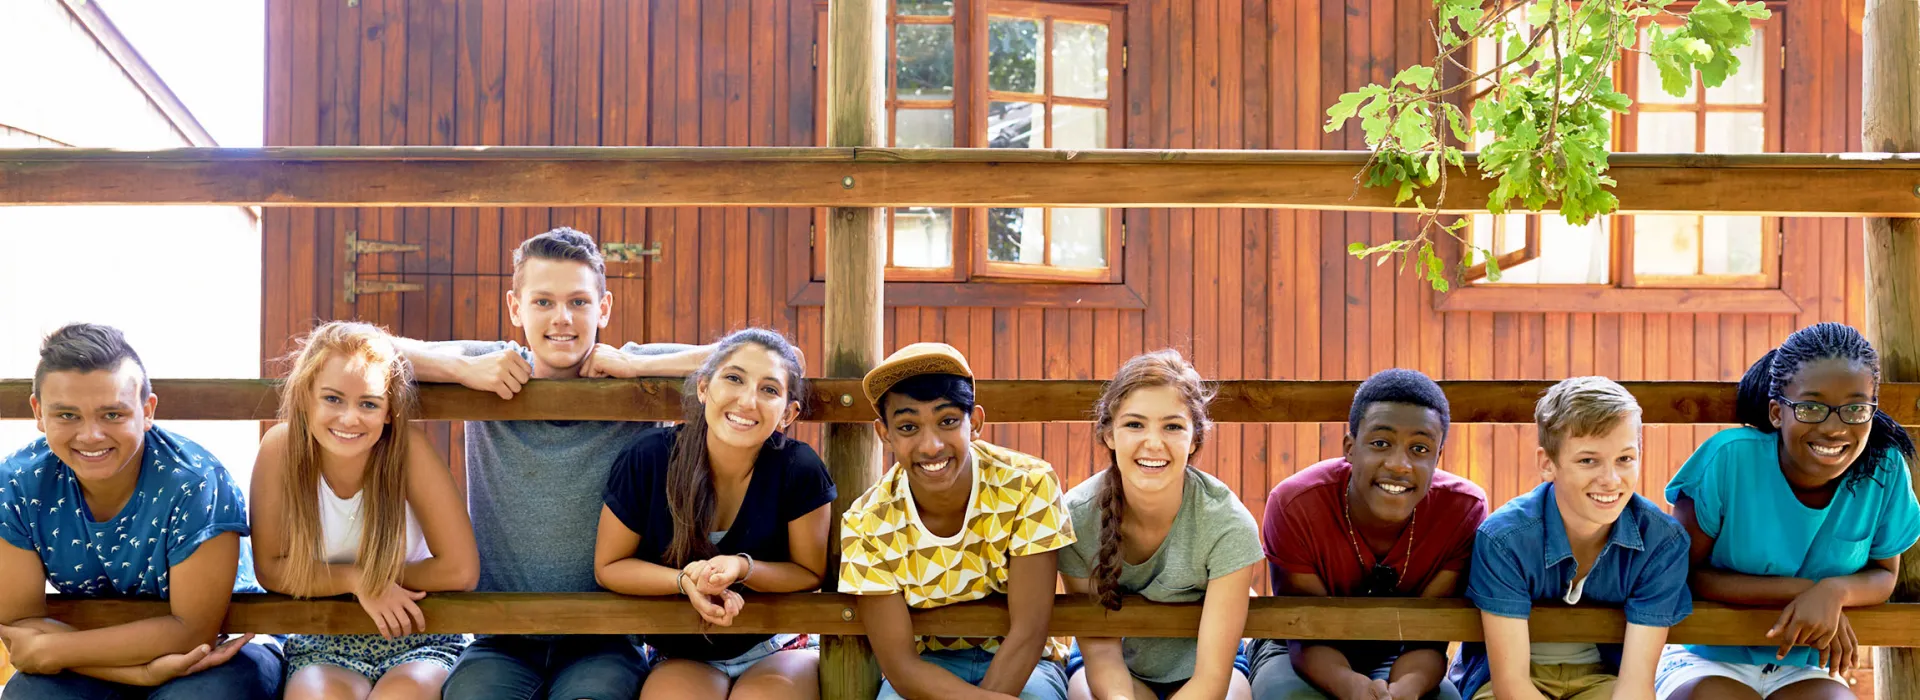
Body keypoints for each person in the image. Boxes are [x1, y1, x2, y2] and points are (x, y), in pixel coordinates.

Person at [395, 227, 714, 700]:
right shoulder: (491, 365)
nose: (562, 319)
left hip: (606, 637)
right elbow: (362, 349)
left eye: (579, 302)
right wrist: (463, 371)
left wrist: (638, 370)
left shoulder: (627, 367)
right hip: (499, 636)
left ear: (603, 308)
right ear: (514, 307)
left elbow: (775, 354)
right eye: (543, 302)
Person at [0, 323, 282, 698]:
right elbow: (21, 627)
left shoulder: (196, 483)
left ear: (147, 410)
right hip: (93, 648)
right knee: (30, 695)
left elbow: (192, 630)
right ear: (38, 412)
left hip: (221, 648)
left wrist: (54, 650)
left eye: (112, 415)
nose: (90, 435)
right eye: (67, 415)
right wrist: (142, 675)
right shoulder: (16, 484)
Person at [1656, 323, 1919, 700]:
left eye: (1856, 409)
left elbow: (1884, 574)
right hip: (1704, 653)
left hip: (1804, 666)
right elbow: (1683, 574)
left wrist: (1835, 591)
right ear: (1778, 413)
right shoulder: (1730, 459)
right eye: (1811, 408)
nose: (1834, 428)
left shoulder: (1885, 470)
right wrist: (1807, 592)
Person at [595, 328, 835, 700]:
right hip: (681, 650)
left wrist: (743, 567)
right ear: (704, 388)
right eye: (734, 378)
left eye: (769, 389)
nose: (747, 401)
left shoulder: (799, 469)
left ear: (788, 413)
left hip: (778, 645)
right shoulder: (649, 459)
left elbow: (808, 572)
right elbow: (610, 565)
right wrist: (683, 580)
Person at [250, 321, 479, 699]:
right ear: (307, 394)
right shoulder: (281, 449)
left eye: (369, 404)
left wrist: (380, 584)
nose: (349, 418)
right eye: (333, 399)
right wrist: (357, 581)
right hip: (325, 638)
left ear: (389, 411)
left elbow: (461, 569)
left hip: (419, 635)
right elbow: (272, 568)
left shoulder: (407, 451)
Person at [838, 342, 1076, 700]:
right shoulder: (867, 523)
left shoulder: (1028, 483)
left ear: (975, 422)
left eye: (947, 421)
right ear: (884, 433)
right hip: (927, 669)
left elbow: (1029, 630)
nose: (931, 445)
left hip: (1027, 664)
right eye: (907, 427)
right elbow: (901, 664)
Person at [1450, 376, 1692, 700]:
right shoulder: (1504, 540)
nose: (1610, 480)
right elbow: (1512, 686)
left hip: (1603, 678)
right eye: (1588, 460)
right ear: (1547, 464)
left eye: (1625, 459)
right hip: (1511, 683)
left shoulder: (1662, 543)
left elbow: (1634, 686)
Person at [1249, 368, 1484, 700]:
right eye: (1380, 443)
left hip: (1400, 653)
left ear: (1437, 457)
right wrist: (1353, 688)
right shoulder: (1295, 504)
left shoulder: (1462, 509)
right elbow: (1302, 631)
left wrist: (1406, 690)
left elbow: (1429, 637)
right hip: (1294, 649)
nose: (1399, 464)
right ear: (1350, 447)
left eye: (1419, 449)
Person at [1058, 350, 1260, 700]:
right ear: (1109, 434)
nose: (1153, 443)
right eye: (1134, 424)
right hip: (1112, 666)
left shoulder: (1228, 523)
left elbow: (1212, 678)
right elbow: (1101, 648)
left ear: (1195, 438)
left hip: (1202, 670)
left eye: (1173, 426)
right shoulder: (1077, 516)